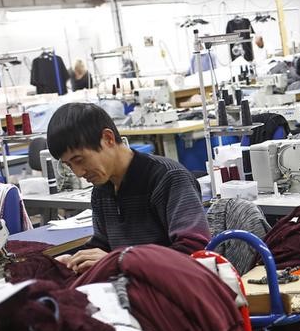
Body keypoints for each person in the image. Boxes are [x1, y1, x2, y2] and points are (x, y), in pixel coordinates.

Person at [46, 103, 210, 274]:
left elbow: (194, 251)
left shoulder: (168, 178)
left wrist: (119, 260)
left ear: (108, 139)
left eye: (79, 160)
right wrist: (74, 261)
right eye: (69, 165)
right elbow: (103, 246)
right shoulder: (102, 189)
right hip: (130, 286)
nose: (78, 173)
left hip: (174, 290)